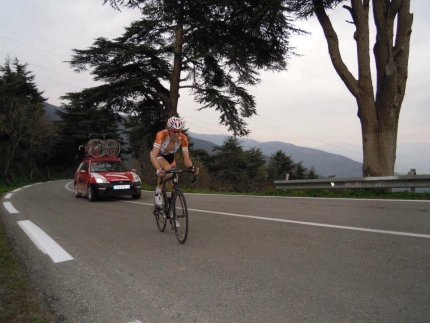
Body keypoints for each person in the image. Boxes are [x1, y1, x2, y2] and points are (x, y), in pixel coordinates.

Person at [150, 116, 197, 210]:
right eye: (174, 131)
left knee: (175, 185)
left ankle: (172, 212)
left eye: (178, 131)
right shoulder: (161, 135)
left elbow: (186, 159)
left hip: (170, 158)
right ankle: (158, 192)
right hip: (158, 155)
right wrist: (158, 169)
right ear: (169, 129)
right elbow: (153, 155)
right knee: (166, 168)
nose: (176, 134)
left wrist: (191, 167)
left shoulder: (183, 138)